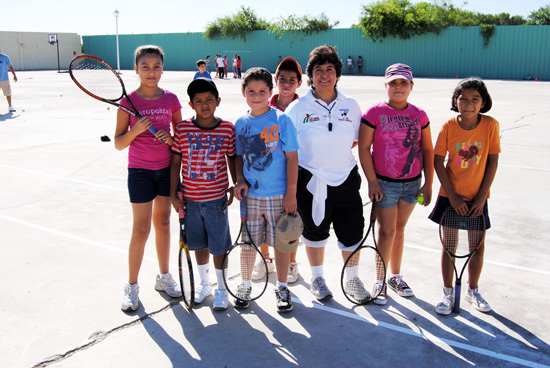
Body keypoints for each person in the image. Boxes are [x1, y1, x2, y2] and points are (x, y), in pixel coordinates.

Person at [285, 45, 365, 302]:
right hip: (310, 181)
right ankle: (317, 279)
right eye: (318, 70)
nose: (324, 75)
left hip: (346, 179)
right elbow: (287, 148)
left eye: (329, 70)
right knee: (314, 232)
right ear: (311, 76)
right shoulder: (297, 108)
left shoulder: (351, 105)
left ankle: (352, 279)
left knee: (352, 232)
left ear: (337, 74)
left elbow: (354, 141)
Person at [358, 63, 434, 305]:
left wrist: (429, 183)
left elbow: (427, 149)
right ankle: (379, 281)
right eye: (393, 83)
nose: (398, 87)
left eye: (403, 83)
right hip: (384, 184)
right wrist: (372, 181)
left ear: (411, 86)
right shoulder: (374, 113)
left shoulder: (419, 115)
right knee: (386, 231)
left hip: (412, 184)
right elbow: (363, 148)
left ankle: (395, 276)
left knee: (400, 230)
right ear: (386, 85)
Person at [115, 45, 183, 312]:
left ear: (162, 68)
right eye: (145, 67)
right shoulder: (128, 102)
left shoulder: (171, 100)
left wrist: (172, 139)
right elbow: (119, 143)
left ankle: (164, 277)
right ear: (136, 69)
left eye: (156, 66)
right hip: (140, 172)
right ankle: (131, 286)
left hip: (166, 171)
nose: (151, 72)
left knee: (164, 223)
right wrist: (137, 130)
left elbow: (182, 139)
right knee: (141, 228)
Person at [430, 77, 500, 315]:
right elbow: (438, 161)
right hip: (451, 197)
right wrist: (453, 197)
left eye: (475, 99)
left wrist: (481, 197)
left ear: (483, 103)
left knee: (477, 247)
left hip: (477, 199)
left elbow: (492, 161)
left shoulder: (491, 125)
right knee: (449, 246)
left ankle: (473, 290)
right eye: (463, 99)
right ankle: (448, 293)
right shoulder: (449, 125)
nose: (469, 104)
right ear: (455, 101)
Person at [234, 67, 299, 312]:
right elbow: (238, 157)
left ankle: (282, 287)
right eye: (251, 91)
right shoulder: (240, 123)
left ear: (270, 92)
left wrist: (291, 192)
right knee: (248, 243)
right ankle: (245, 284)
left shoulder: (282, 119)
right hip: (251, 196)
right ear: (243, 92)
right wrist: (239, 179)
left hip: (279, 196)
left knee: (281, 245)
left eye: (262, 91)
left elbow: (292, 159)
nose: (257, 95)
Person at [170, 78, 236, 311]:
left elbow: (231, 158)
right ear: (191, 105)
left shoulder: (227, 128)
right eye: (199, 101)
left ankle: (221, 289)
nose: (204, 105)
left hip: (216, 200)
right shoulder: (183, 129)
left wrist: (235, 184)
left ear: (218, 101)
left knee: (219, 246)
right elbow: (176, 161)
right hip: (190, 201)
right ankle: (205, 284)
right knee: (199, 245)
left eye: (209, 100)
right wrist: (173, 193)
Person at [252, 56, 302, 284]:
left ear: (299, 83)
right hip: (267, 177)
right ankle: (266, 260)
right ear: (275, 80)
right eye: (282, 79)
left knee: (289, 222)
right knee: (263, 220)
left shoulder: (303, 107)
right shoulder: (263, 105)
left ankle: (292, 263)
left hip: (293, 174)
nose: (287, 83)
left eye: (292, 80)